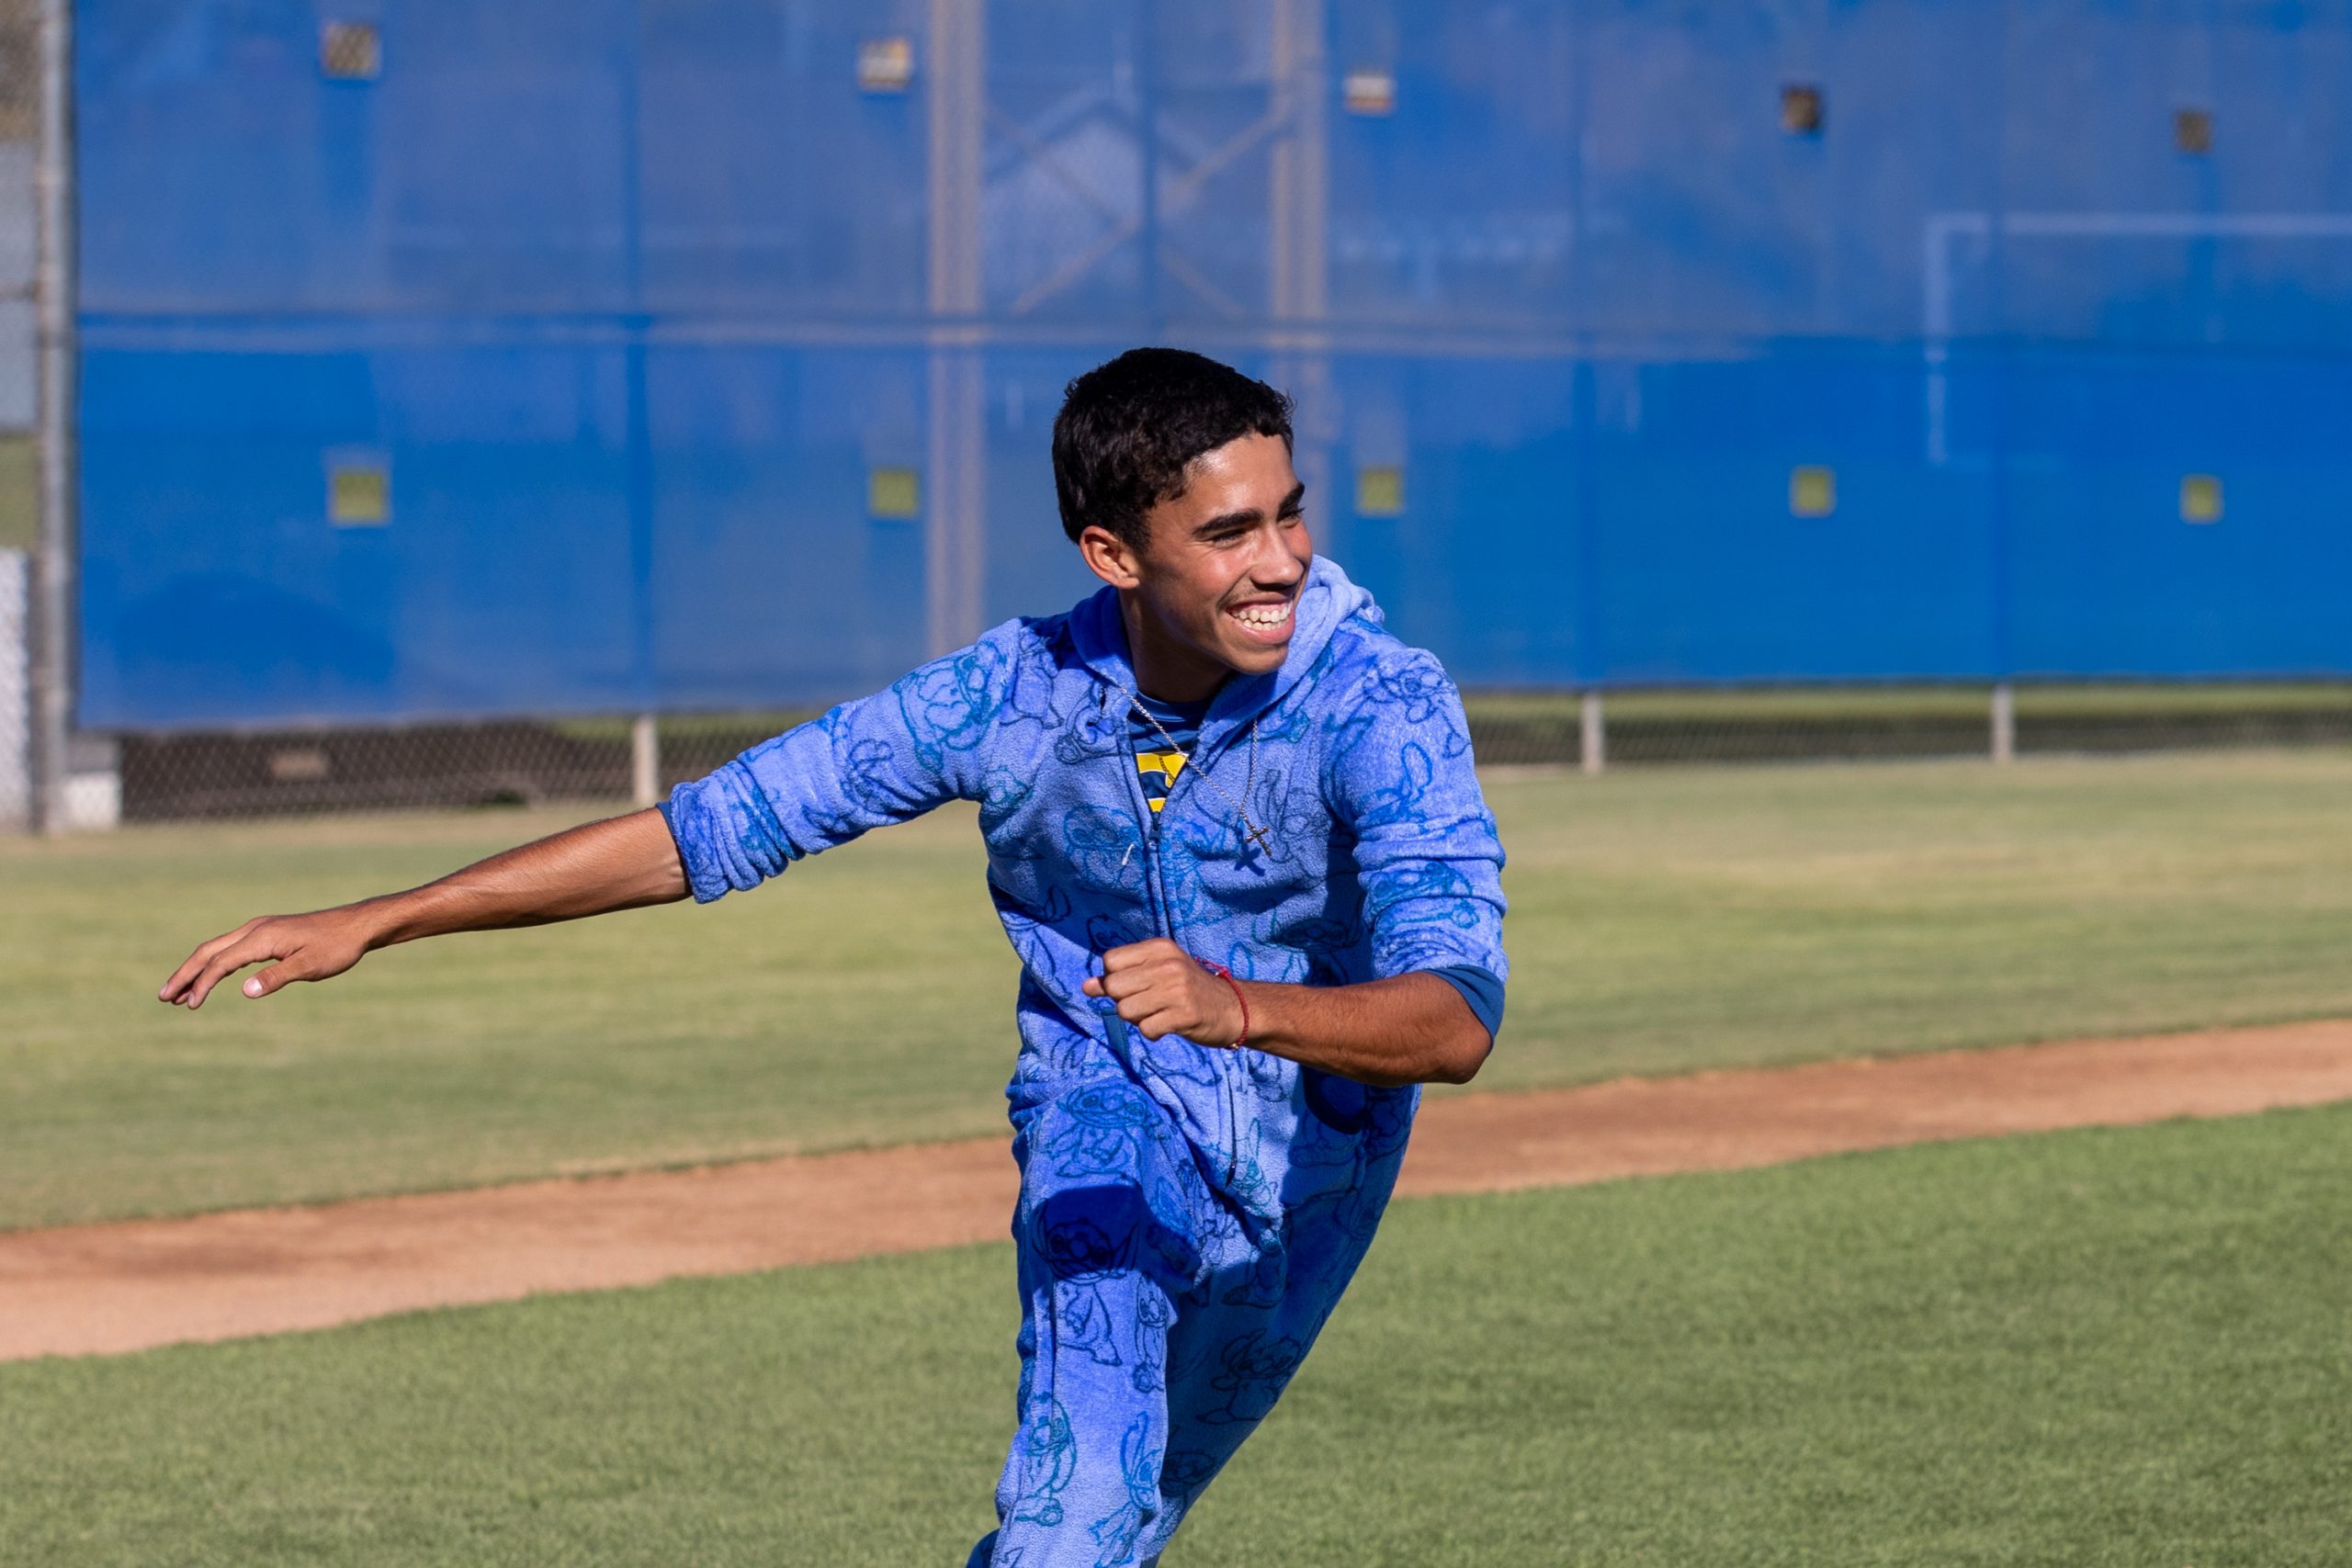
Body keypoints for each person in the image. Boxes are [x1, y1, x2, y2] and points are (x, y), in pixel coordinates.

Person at [160, 346, 1509, 1566]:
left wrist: (1238, 1006)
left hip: (1316, 1164)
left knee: (1131, 1519)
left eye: (1287, 514)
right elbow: (709, 831)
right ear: (1112, 553)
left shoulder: (1379, 703)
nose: (1280, 562)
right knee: (1075, 1517)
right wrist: (380, 918)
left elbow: (1454, 1019)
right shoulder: (1009, 695)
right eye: (1227, 533)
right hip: (1107, 1116)